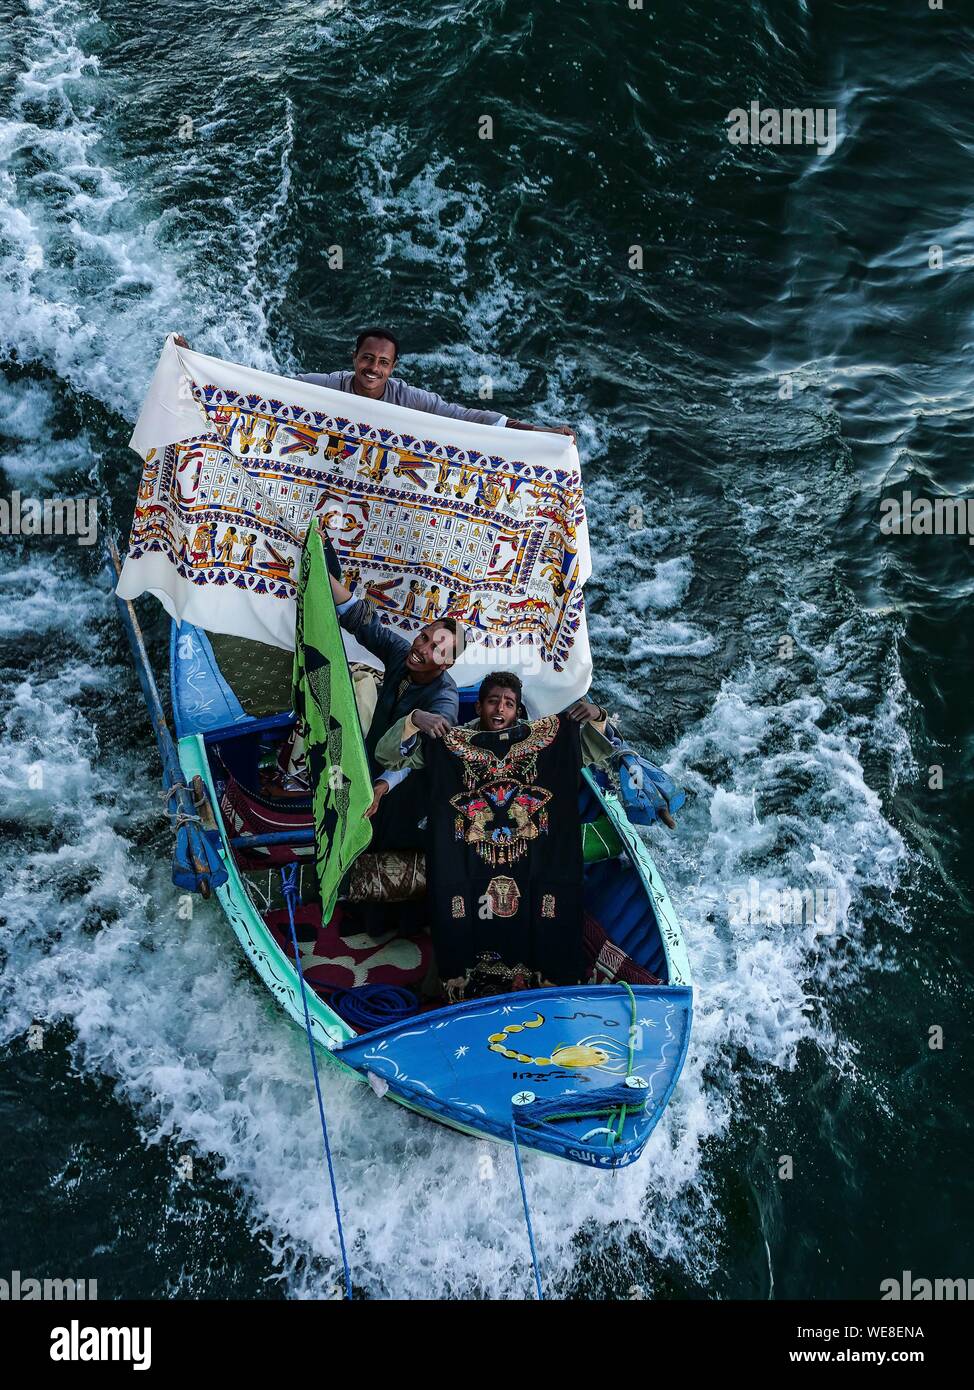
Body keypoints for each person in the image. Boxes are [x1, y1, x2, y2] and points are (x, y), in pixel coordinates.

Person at [372, 671, 614, 995]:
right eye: (492, 701)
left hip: (524, 854)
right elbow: (385, 755)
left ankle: (534, 978)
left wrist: (597, 716)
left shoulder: (541, 743)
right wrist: (414, 720)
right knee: (458, 906)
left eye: (509, 704)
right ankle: (457, 980)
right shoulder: (449, 742)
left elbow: (596, 749)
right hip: (467, 854)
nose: (500, 709)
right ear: (479, 707)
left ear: (518, 711)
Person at [171, 328, 575, 439]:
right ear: (354, 358)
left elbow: (471, 417)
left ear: (392, 368)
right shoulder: (329, 384)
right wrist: (196, 363)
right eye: (367, 358)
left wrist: (540, 432)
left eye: (382, 363)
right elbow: (265, 385)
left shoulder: (407, 398)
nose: (373, 368)